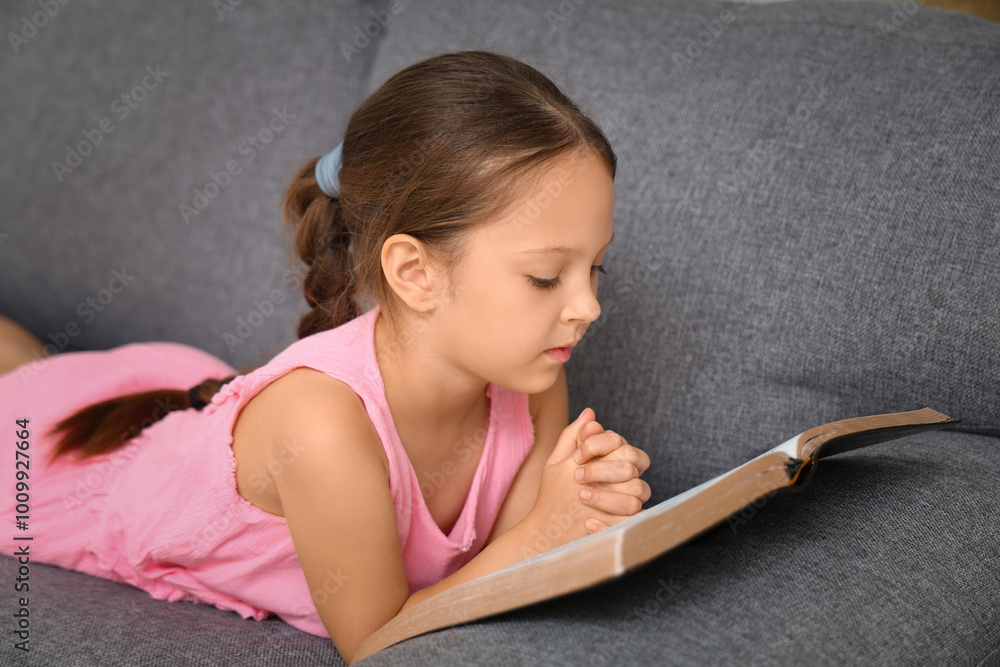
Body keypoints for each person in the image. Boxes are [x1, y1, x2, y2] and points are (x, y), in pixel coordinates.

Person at [1, 50, 651, 663]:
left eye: (595, 268)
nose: (587, 307)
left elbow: (507, 571)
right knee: (20, 384)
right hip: (52, 468)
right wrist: (544, 529)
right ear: (415, 272)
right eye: (545, 277)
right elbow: (374, 642)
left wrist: (583, 499)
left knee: (27, 367)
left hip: (171, 402)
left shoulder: (535, 381)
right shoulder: (323, 428)